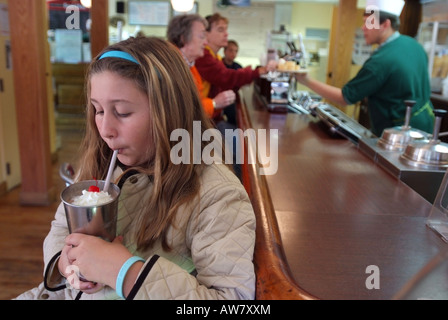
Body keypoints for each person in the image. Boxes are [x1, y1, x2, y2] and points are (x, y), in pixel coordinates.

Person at [15, 36, 256, 300]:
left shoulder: (217, 195)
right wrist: (66, 263)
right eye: (98, 110)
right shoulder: (103, 161)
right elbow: (62, 226)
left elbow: (234, 300)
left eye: (122, 112)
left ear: (171, 111)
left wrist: (125, 273)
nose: (105, 130)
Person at [295, 0, 434, 137]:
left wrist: (306, 80)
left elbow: (345, 97)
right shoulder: (414, 45)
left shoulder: (381, 60)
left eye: (369, 22)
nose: (363, 27)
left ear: (385, 24)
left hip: (398, 133)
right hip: (426, 123)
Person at [195, 13, 277, 116]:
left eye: (226, 30)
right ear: (206, 34)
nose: (226, 34)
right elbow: (225, 77)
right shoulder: (203, 56)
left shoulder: (216, 57)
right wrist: (257, 72)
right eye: (221, 30)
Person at [166, 14, 236, 120]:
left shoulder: (190, 66)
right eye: (202, 36)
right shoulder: (171, 67)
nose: (206, 42)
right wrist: (214, 103)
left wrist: (216, 105)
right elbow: (183, 112)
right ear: (184, 39)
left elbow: (198, 103)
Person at [222, 39, 243, 126]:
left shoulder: (239, 67)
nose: (233, 54)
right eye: (231, 50)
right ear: (224, 51)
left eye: (236, 51)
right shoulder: (219, 65)